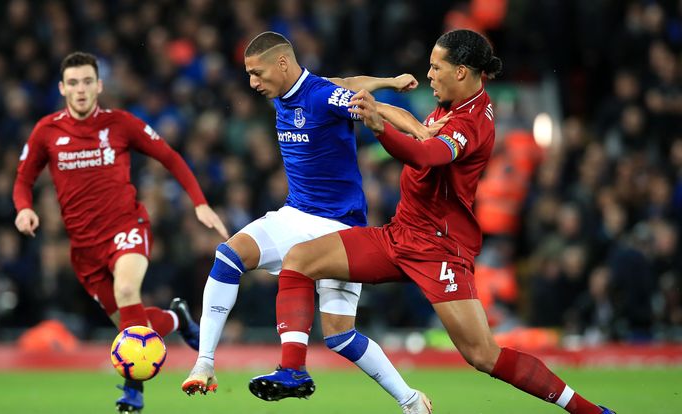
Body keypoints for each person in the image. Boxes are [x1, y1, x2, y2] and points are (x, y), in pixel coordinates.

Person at [253, 29, 616, 414]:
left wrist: (380, 128)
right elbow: (350, 92)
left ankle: (591, 412)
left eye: (435, 66)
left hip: (438, 249)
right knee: (299, 260)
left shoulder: (471, 122)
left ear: (461, 71)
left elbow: (427, 158)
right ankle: (293, 371)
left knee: (482, 355)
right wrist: (386, 92)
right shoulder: (451, 103)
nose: (428, 74)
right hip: (400, 235)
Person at [181, 31, 435, 414]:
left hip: (340, 227)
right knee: (229, 256)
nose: (252, 83)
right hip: (296, 215)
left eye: (257, 73)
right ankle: (205, 362)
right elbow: (349, 83)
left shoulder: (319, 96)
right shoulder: (299, 91)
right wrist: (390, 79)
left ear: (282, 63)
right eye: (249, 74)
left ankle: (410, 400)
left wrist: (418, 130)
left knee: (340, 337)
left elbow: (372, 107)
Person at [12, 51, 229, 414]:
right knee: (133, 325)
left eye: (87, 82)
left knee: (127, 290)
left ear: (98, 85)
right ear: (62, 88)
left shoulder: (121, 124)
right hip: (84, 250)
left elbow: (170, 156)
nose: (80, 90)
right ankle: (178, 319)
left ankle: (133, 389)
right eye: (73, 83)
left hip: (126, 228)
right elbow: (23, 179)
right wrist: (24, 208)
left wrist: (200, 202)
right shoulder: (46, 131)